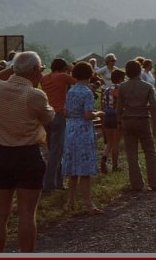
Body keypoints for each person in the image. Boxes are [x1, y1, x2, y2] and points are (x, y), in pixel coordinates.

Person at [0, 52, 55, 253]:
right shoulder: (34, 95)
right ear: (35, 71)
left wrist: (15, 65)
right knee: (26, 213)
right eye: (41, 69)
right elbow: (49, 118)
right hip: (26, 155)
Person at [63, 62, 105, 213]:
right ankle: (88, 204)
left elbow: (66, 112)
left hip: (70, 128)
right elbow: (88, 115)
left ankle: (70, 201)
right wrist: (98, 113)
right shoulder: (87, 92)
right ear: (90, 75)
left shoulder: (71, 91)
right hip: (83, 130)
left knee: (73, 168)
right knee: (85, 169)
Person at [117, 60, 156, 192]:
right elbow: (154, 107)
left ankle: (136, 184)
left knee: (131, 153)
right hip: (143, 120)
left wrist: (119, 122)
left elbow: (118, 108)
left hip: (128, 121)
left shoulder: (122, 87)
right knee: (149, 151)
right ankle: (155, 182)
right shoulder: (148, 87)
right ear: (139, 71)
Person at [40, 58, 74, 192]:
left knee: (53, 150)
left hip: (47, 115)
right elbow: (79, 82)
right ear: (63, 67)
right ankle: (48, 184)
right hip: (59, 114)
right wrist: (72, 69)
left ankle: (58, 182)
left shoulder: (44, 79)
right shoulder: (63, 76)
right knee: (56, 151)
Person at [100, 69, 125, 173]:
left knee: (109, 142)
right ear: (120, 79)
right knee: (116, 143)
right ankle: (115, 166)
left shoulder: (106, 90)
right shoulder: (120, 89)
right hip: (116, 117)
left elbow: (103, 104)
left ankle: (103, 159)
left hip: (106, 116)